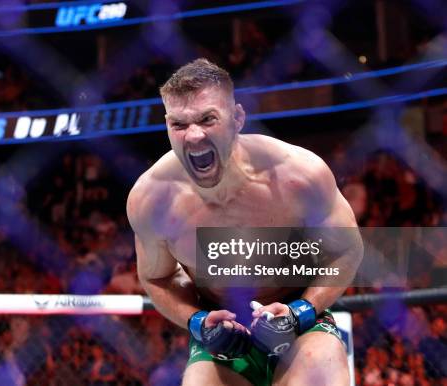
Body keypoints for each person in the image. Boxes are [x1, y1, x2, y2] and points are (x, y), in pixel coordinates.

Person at [126, 58, 363, 386]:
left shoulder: (298, 174)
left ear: (237, 118)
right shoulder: (151, 199)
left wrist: (301, 312)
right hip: (223, 338)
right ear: (166, 124)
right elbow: (157, 279)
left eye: (208, 119)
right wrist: (198, 322)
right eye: (179, 124)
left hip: (301, 326)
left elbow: (346, 252)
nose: (193, 136)